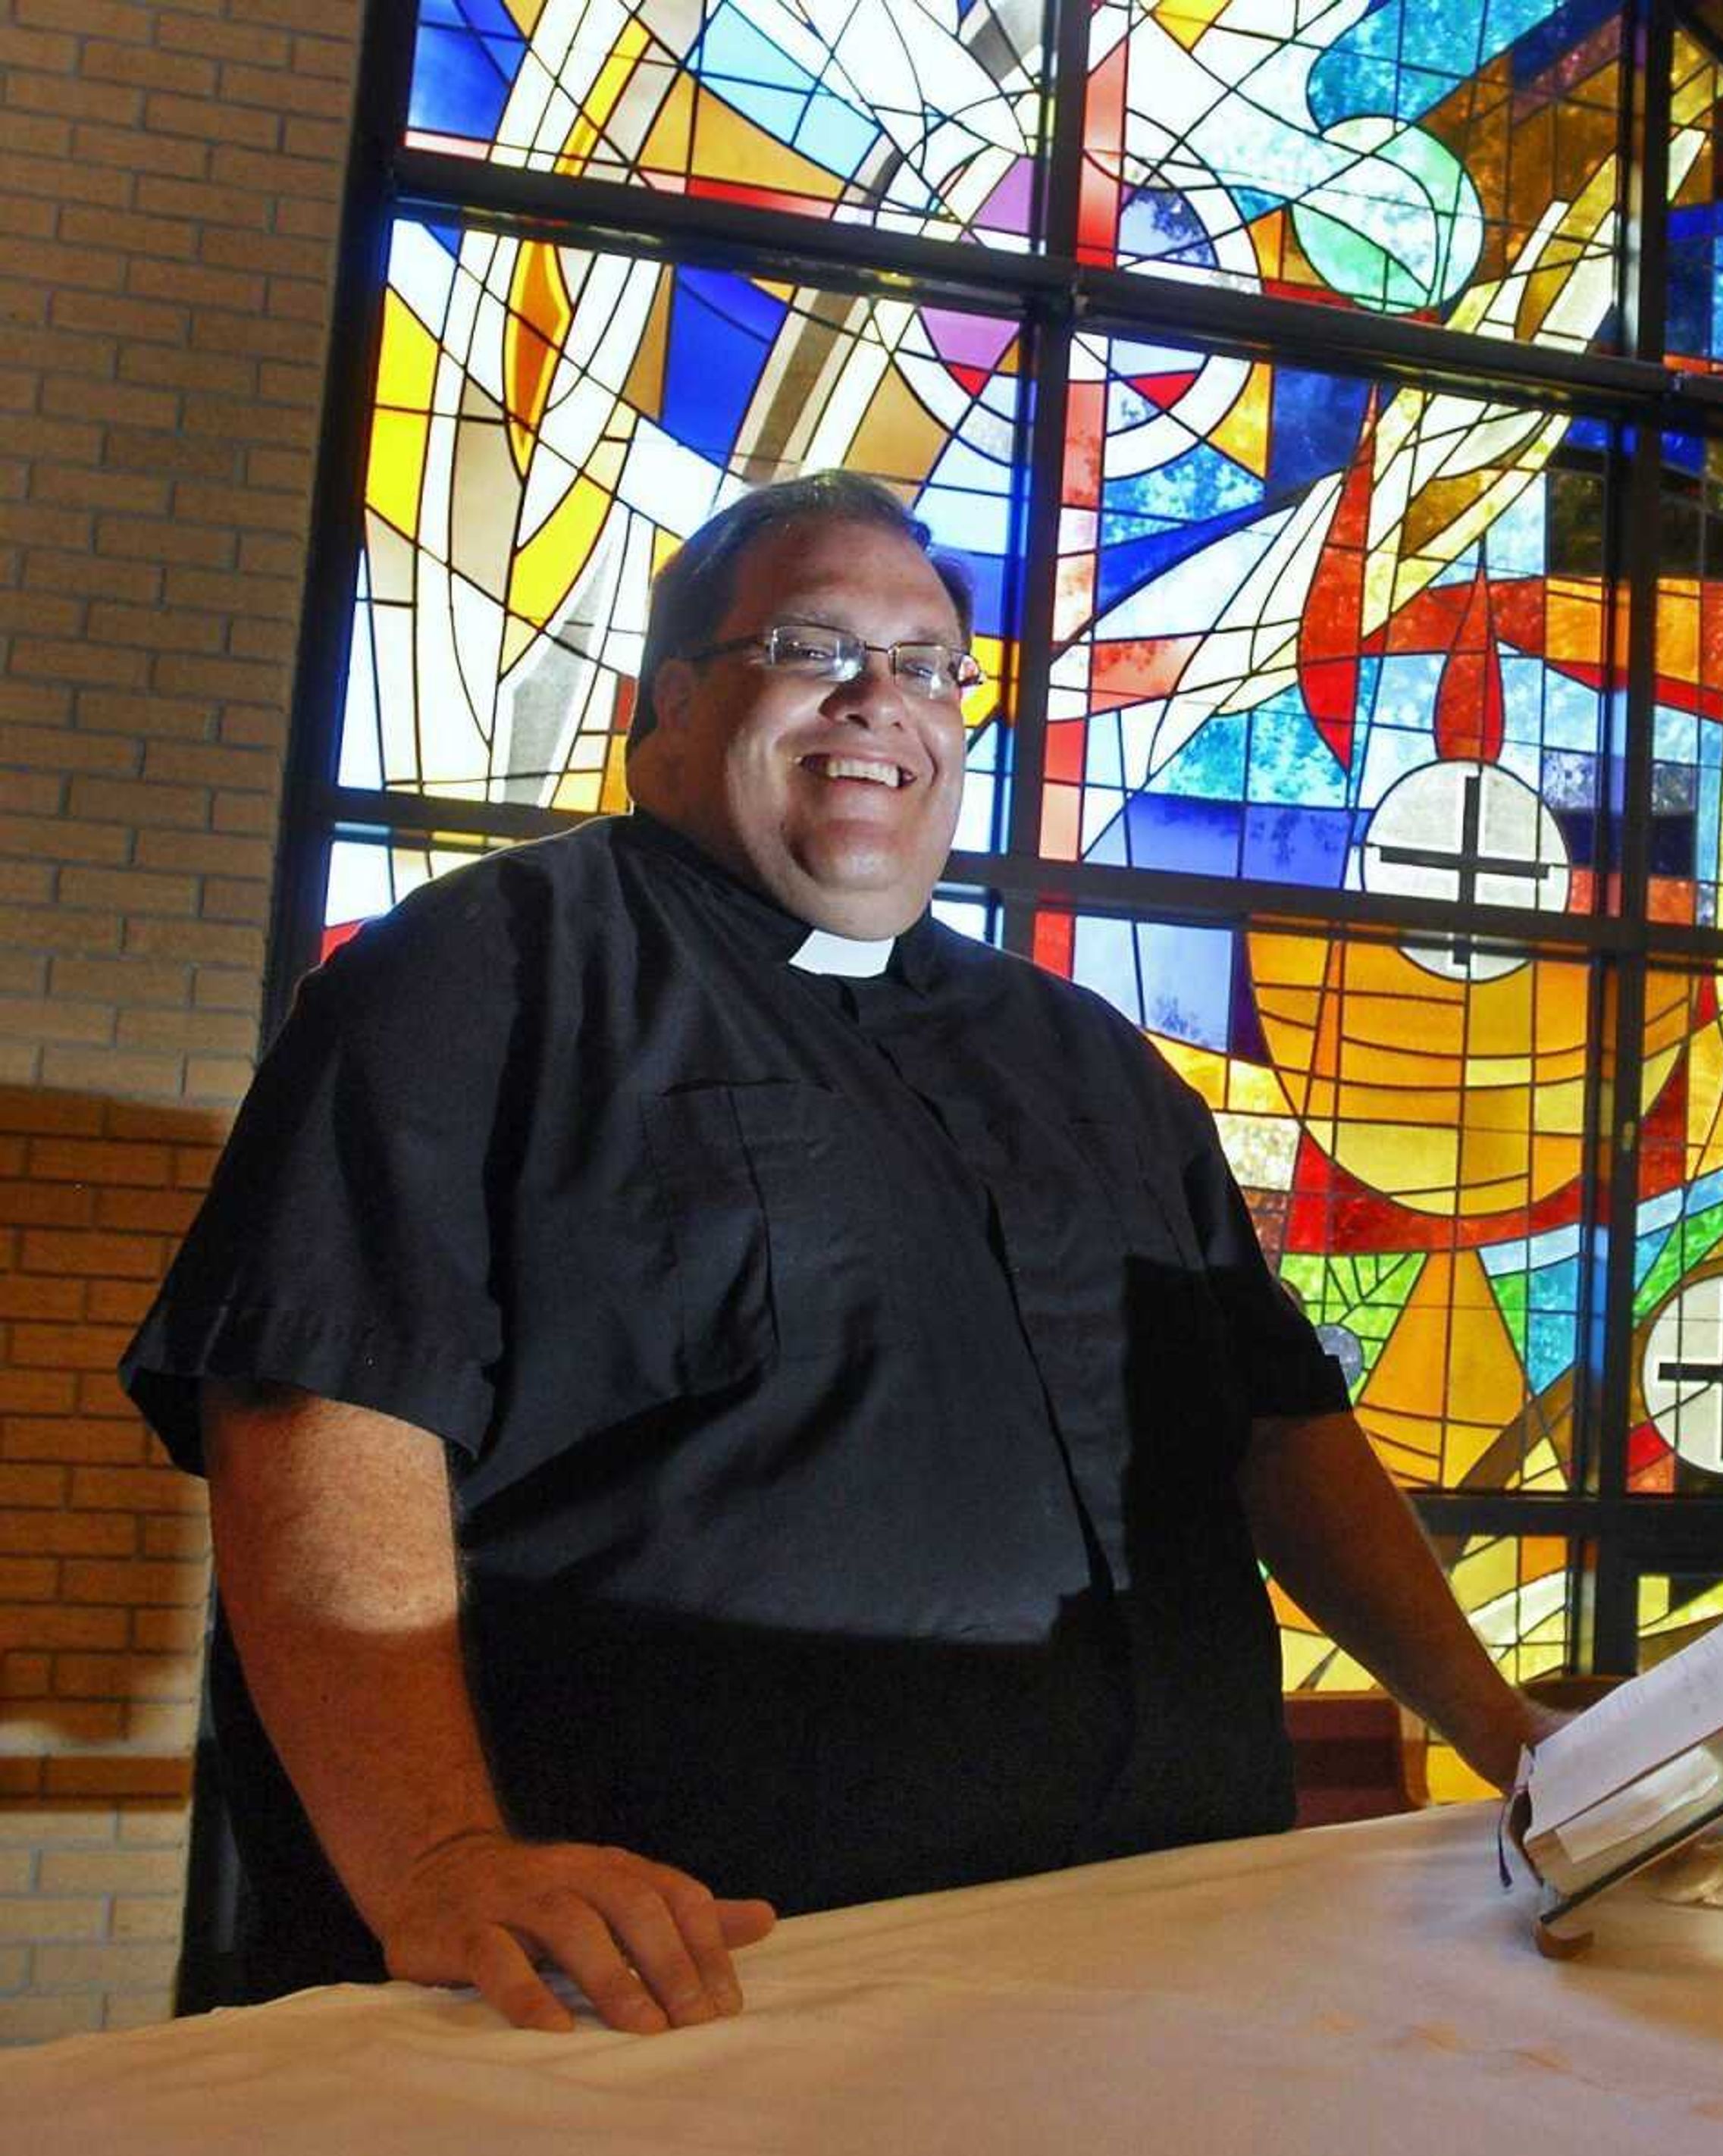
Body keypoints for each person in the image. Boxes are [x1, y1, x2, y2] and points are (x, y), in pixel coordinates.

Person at [121, 473, 1546, 2036]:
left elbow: (1281, 1433)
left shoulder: (1087, 1063)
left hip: (1147, 1948)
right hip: (683, 1983)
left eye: (930, 665)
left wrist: (1498, 1721)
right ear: (665, 704)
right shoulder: (482, 976)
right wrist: (443, 1858)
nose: (884, 698)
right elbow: (322, 1416)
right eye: (814, 647)